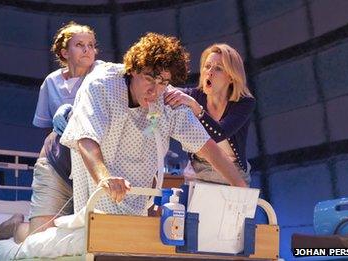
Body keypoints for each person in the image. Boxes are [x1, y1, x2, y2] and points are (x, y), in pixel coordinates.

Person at [60, 33, 247, 216]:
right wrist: (105, 178)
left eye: (163, 82)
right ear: (133, 69)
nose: (154, 91)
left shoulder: (167, 100)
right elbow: (85, 138)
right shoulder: (101, 85)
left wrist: (240, 186)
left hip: (136, 205)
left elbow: (206, 146)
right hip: (97, 198)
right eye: (149, 79)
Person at [0, 21, 100, 243]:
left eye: (91, 44)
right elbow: (47, 126)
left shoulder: (103, 75)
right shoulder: (51, 82)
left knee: (93, 233)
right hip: (56, 162)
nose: (87, 50)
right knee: (36, 238)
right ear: (64, 52)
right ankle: (14, 225)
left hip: (91, 167)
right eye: (80, 45)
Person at [164, 43, 255, 185]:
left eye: (218, 68)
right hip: (198, 172)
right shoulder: (193, 95)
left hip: (234, 173)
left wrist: (197, 109)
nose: (210, 72)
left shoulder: (244, 103)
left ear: (231, 77)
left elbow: (220, 134)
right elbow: (162, 90)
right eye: (207, 66)